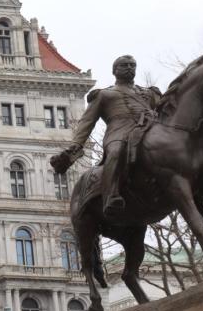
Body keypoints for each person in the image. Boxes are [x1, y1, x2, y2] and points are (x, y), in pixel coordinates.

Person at [51, 55, 161, 219]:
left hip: (147, 130)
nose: (130, 68)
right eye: (125, 65)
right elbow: (87, 121)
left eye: (132, 65)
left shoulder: (148, 93)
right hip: (119, 132)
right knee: (116, 152)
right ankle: (111, 195)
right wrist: (76, 144)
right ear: (115, 71)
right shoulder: (105, 95)